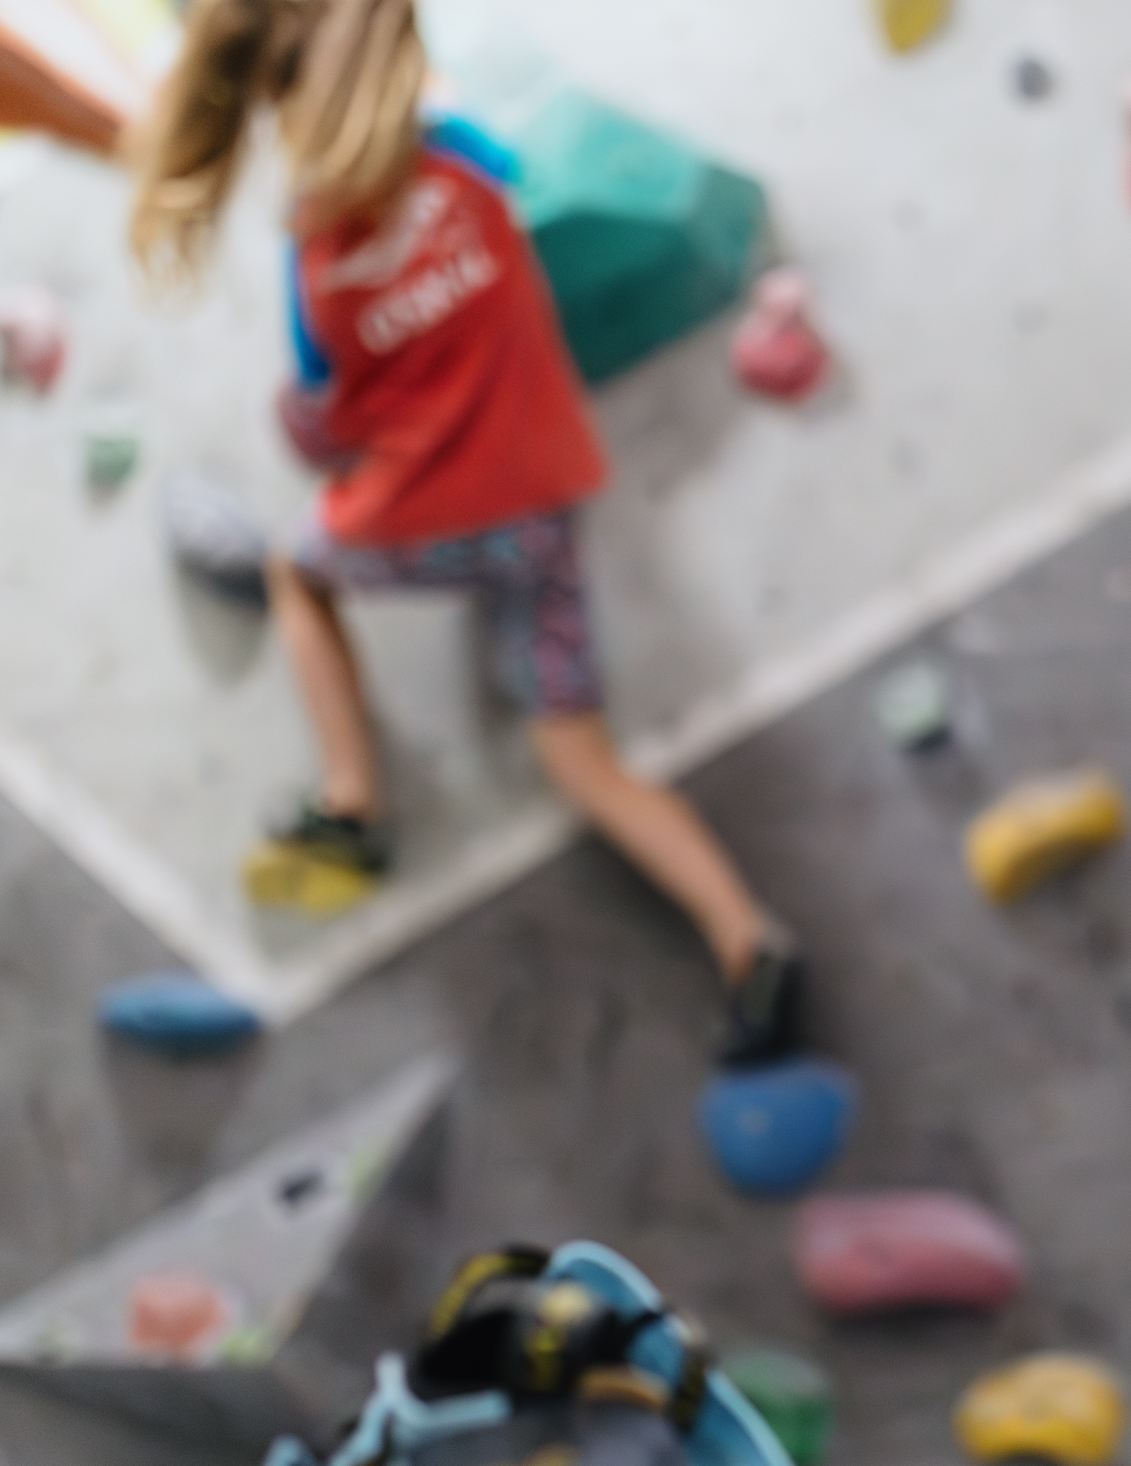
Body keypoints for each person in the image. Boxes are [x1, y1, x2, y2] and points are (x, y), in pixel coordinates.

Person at [124, 0, 801, 1062]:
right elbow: (525, 198)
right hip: (541, 511)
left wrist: (321, 410)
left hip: (425, 522)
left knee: (297, 571)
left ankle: (353, 803)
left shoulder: (316, 253)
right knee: (582, 759)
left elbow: (325, 423)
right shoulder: (469, 159)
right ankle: (744, 936)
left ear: (275, 104)